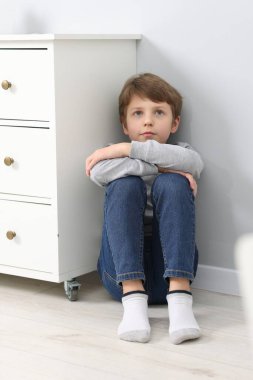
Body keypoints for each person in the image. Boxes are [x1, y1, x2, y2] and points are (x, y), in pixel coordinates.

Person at [85, 73, 204, 344]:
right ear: (124, 125)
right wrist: (149, 161)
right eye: (138, 113)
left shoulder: (181, 152)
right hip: (119, 276)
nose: (148, 120)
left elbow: (193, 163)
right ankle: (134, 301)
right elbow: (97, 171)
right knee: (125, 185)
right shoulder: (113, 151)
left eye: (158, 112)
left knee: (174, 183)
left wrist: (132, 150)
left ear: (175, 123)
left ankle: (180, 301)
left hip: (170, 276)